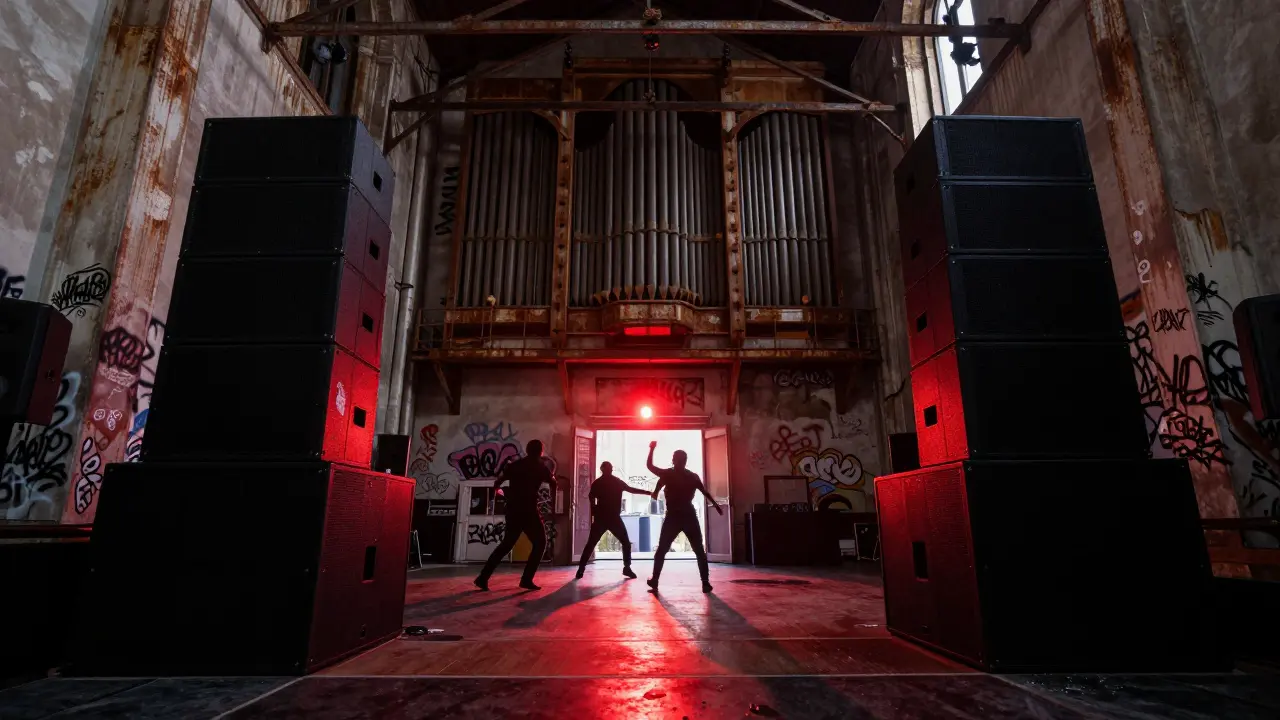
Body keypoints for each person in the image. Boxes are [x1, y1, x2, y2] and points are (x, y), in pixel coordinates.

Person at [474, 439, 557, 591]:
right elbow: (553, 483)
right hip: (529, 511)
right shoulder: (541, 467)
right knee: (540, 543)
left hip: (513, 510)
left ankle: (483, 577)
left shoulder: (515, 465)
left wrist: (500, 495)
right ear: (541, 452)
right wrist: (552, 499)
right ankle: (526, 579)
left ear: (527, 449)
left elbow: (497, 483)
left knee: (506, 545)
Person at [646, 440, 723, 594]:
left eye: (674, 458)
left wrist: (652, 448)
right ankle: (705, 583)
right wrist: (715, 505)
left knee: (662, 550)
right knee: (699, 551)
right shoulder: (692, 476)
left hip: (674, 516)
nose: (674, 461)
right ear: (685, 461)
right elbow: (704, 492)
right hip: (689, 515)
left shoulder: (669, 474)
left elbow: (650, 466)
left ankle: (655, 580)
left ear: (675, 460)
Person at [575, 462, 652, 581]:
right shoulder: (614, 482)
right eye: (609, 468)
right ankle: (626, 567)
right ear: (607, 469)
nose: (609, 470)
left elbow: (591, 496)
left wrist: (594, 509)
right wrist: (647, 492)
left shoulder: (599, 483)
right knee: (624, 542)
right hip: (612, 518)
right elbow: (630, 489)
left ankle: (581, 569)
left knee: (592, 544)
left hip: (604, 518)